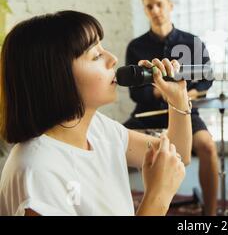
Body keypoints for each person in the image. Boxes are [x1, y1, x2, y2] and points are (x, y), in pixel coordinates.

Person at [0, 11, 192, 216]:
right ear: (58, 78)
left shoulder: (99, 129)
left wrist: (177, 98)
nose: (113, 59)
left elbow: (177, 155)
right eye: (96, 55)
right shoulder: (37, 171)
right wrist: (157, 197)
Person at [123, 0, 219, 216]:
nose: (155, 10)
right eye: (149, 6)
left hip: (185, 111)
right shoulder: (136, 47)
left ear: (170, 6)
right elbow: (136, 93)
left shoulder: (192, 41)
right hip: (145, 114)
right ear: (145, 11)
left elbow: (206, 80)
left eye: (159, 4)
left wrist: (180, 96)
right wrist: (165, 91)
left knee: (207, 146)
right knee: (112, 146)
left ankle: (211, 213)